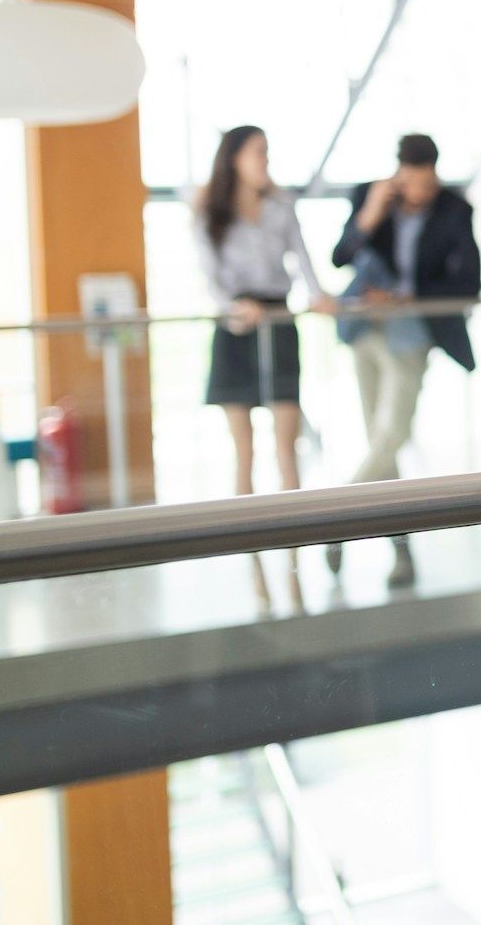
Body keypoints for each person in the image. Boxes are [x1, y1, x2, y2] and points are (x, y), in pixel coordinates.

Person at [329, 133, 481, 590]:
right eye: (412, 185)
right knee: (380, 442)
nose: (420, 194)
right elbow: (340, 258)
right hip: (366, 334)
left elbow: (470, 283)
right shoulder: (369, 196)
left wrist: (405, 298)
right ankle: (402, 551)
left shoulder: (456, 209)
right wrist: (372, 212)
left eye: (427, 185)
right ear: (399, 175)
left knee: (392, 434)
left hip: (412, 334)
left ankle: (332, 519)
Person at [193, 125, 333, 609]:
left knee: (286, 444)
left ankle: (291, 546)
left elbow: (303, 256)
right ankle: (249, 548)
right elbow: (209, 274)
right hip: (236, 323)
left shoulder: (281, 203)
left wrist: (317, 295)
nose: (265, 160)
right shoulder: (209, 208)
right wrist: (232, 307)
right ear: (234, 157)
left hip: (278, 318)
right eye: (258, 152)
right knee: (244, 450)